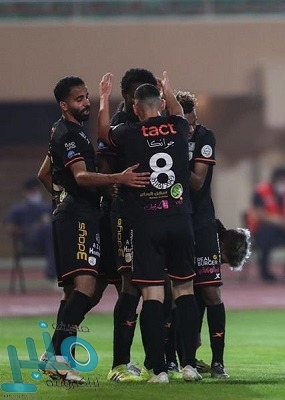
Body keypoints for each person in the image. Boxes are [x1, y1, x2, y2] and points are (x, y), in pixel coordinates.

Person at [40, 75, 149, 382]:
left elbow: (43, 174)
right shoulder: (70, 135)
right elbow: (81, 176)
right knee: (85, 288)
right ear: (64, 105)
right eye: (79, 99)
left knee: (77, 292)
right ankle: (58, 359)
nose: (85, 103)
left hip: (77, 214)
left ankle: (55, 356)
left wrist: (61, 198)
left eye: (86, 97)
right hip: (78, 218)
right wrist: (117, 178)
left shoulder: (66, 131)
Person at [98, 72, 201, 383]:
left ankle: (158, 370)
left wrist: (103, 98)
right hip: (180, 218)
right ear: (162, 104)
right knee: (184, 290)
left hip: (147, 221)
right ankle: (189, 366)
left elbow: (103, 133)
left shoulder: (130, 132)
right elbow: (178, 111)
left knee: (153, 294)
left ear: (135, 108)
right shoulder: (179, 126)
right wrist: (168, 88)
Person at [99, 68, 159, 383]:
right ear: (126, 97)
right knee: (129, 285)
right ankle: (119, 363)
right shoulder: (121, 125)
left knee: (158, 286)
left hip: (156, 212)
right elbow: (105, 159)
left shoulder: (157, 121)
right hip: (126, 213)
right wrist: (113, 186)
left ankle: (159, 362)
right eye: (136, 93)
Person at [176, 90, 229, 378]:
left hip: (201, 222)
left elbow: (197, 182)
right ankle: (181, 359)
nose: (191, 129)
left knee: (210, 290)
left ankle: (218, 361)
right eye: (185, 125)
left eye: (193, 123)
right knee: (176, 293)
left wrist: (173, 154)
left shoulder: (205, 137)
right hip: (172, 222)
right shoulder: (160, 138)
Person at [3, 177, 56, 280]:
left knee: (51, 229)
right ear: (25, 192)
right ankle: (53, 274)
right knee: (47, 228)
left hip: (49, 241)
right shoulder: (18, 209)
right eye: (32, 190)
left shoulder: (47, 207)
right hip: (30, 242)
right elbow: (10, 228)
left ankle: (64, 274)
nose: (35, 193)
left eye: (36, 190)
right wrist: (31, 228)